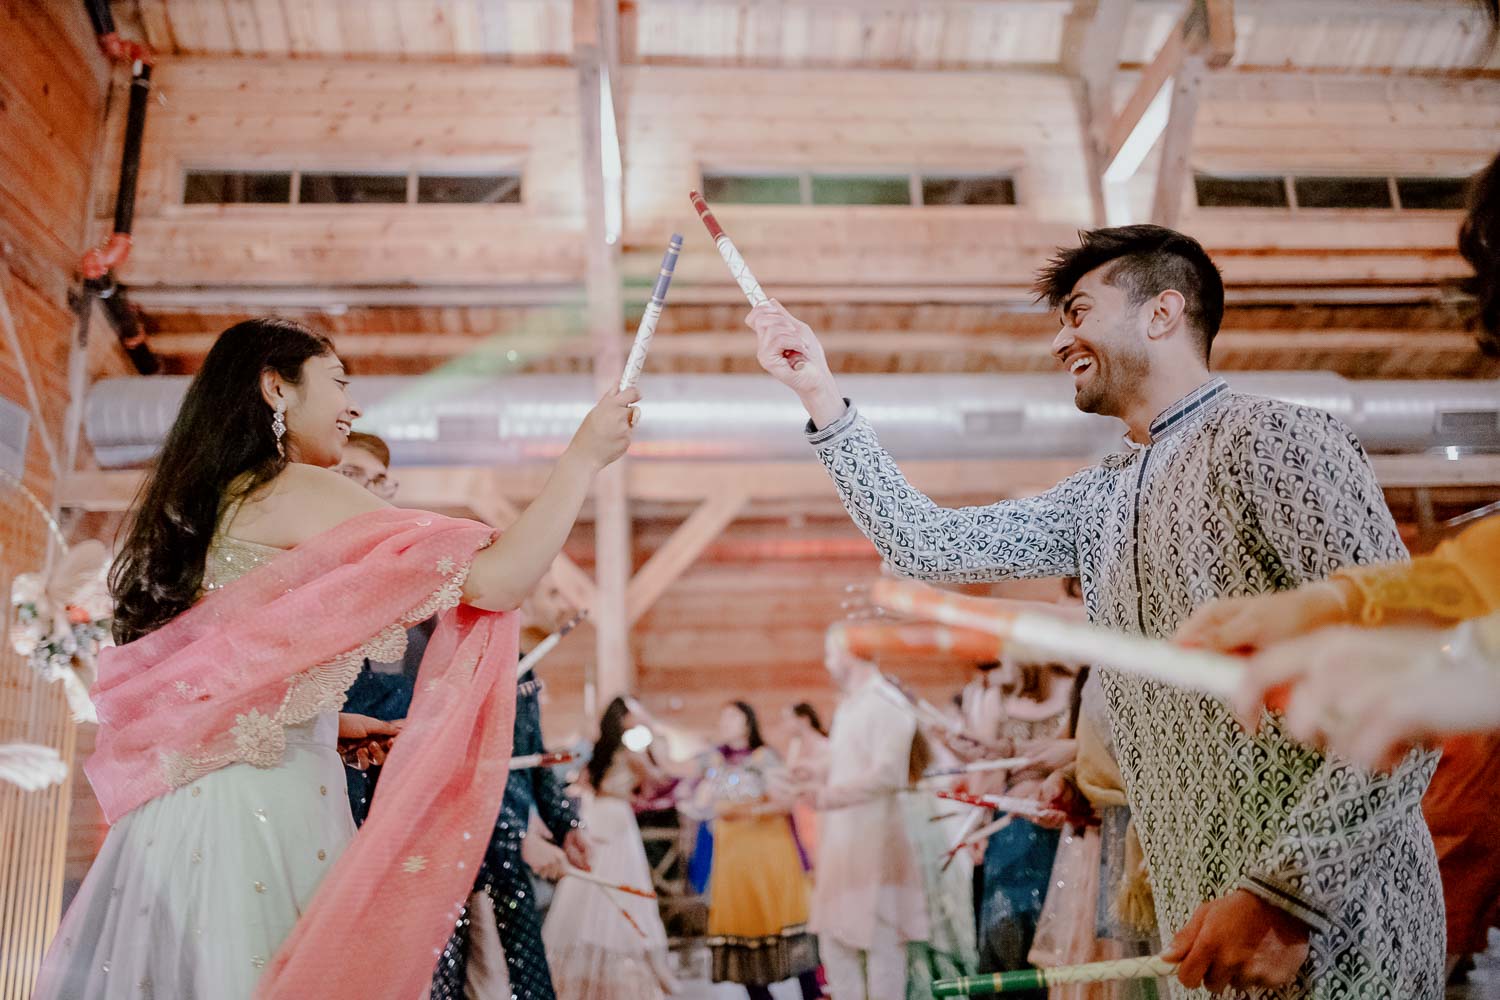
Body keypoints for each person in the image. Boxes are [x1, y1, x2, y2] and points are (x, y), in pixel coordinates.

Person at [746, 224, 1443, 999]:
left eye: (1078, 311)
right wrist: (819, 391)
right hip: (1202, 930)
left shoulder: (1274, 439)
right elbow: (924, 544)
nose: (1059, 339)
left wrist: (1287, 900)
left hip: (1337, 927)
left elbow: (1407, 684)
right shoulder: (1101, 494)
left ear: (1162, 312)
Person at [33, 317, 638, 999]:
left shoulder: (204, 503)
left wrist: (325, 722)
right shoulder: (288, 487)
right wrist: (582, 458)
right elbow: (496, 577)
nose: (352, 405)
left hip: (178, 817)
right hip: (262, 815)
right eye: (338, 382)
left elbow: (213, 685)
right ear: (275, 388)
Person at [430, 646, 592, 1000]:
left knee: (524, 978)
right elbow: (455, 766)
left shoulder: (520, 665)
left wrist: (566, 824)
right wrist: (513, 834)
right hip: (453, 852)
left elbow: (535, 757)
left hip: (507, 857)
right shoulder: (451, 654)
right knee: (460, 979)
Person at [809, 632, 927, 1000]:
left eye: (830, 651)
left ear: (848, 652)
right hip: (842, 844)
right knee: (836, 947)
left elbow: (887, 774)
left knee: (882, 947)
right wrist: (811, 771)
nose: (827, 661)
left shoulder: (886, 704)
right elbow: (844, 759)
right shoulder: (849, 705)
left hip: (876, 843)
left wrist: (829, 796)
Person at [542, 696, 679, 998]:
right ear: (623, 718)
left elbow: (582, 782)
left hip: (596, 816)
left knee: (587, 887)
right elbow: (658, 781)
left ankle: (583, 963)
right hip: (616, 817)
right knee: (621, 882)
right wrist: (654, 747)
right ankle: (619, 962)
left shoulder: (598, 751)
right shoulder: (631, 753)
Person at [696, 701, 822, 1000]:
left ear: (747, 723)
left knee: (782, 919)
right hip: (732, 857)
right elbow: (691, 791)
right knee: (741, 923)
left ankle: (811, 992)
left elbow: (787, 802)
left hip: (768, 853)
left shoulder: (766, 758)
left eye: (731, 716)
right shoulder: (715, 762)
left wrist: (748, 812)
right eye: (722, 716)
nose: (724, 722)